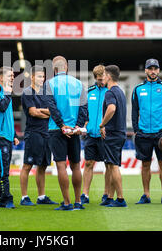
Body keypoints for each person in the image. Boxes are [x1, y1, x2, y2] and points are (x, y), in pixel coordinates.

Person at [44, 56, 87, 211]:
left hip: (57, 129)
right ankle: (78, 202)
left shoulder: (49, 83)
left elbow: (52, 107)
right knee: (76, 166)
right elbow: (83, 108)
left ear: (54, 69)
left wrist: (62, 125)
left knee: (61, 165)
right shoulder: (78, 84)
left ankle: (67, 203)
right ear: (66, 67)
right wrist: (77, 126)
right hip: (74, 131)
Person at [131, 58, 162, 205]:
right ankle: (146, 195)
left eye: (155, 68)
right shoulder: (138, 89)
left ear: (159, 70)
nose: (153, 71)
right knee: (145, 164)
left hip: (161, 132)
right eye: (150, 68)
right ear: (145, 70)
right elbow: (134, 110)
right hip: (143, 132)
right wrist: (136, 129)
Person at [19, 65, 58, 206]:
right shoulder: (27, 92)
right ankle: (24, 197)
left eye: (44, 77)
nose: (42, 79)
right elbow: (33, 112)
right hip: (33, 133)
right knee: (27, 166)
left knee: (42, 166)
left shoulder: (46, 93)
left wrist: (43, 111)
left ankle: (41, 197)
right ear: (33, 77)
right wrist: (45, 112)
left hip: (46, 133)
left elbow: (53, 111)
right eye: (40, 76)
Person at [0, 66, 20, 209]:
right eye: (10, 75)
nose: (13, 78)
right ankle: (6, 198)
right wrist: (8, 93)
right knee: (2, 169)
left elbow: (8, 117)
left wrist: (14, 135)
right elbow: (1, 107)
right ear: (1, 78)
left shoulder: (6, 93)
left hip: (6, 136)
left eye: (13, 75)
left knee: (2, 168)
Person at [98, 65, 128, 208]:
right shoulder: (120, 92)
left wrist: (102, 124)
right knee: (110, 166)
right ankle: (110, 197)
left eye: (104, 74)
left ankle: (120, 199)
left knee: (113, 166)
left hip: (113, 134)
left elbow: (111, 108)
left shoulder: (110, 93)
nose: (102, 77)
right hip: (120, 133)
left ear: (108, 76)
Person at [81, 65, 109, 205]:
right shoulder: (89, 92)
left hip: (106, 135)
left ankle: (106, 194)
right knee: (88, 163)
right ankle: (85, 194)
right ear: (95, 78)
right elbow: (83, 110)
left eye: (103, 78)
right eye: (99, 79)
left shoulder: (111, 91)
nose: (101, 82)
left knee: (108, 166)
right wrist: (84, 124)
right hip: (91, 134)